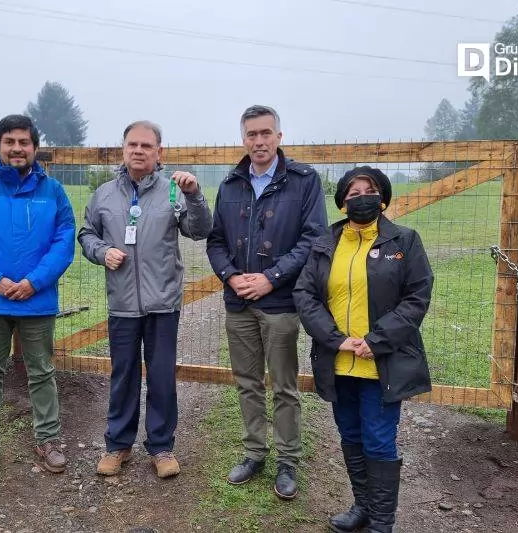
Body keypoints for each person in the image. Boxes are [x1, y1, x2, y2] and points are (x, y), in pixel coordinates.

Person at [292, 166, 433, 532]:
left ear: (382, 197)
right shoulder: (325, 244)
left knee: (379, 440)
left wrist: (375, 341)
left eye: (368, 191)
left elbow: (416, 298)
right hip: (339, 362)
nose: (361, 198)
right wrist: (335, 338)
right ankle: (364, 507)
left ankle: (381, 523)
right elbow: (305, 294)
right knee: (351, 436)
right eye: (352, 194)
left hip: (380, 366)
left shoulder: (404, 242)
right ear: (342, 203)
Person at [78, 120, 212, 479]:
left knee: (162, 376)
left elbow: (199, 230)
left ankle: (161, 447)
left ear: (159, 153)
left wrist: (196, 195)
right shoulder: (104, 194)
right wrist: (102, 251)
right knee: (122, 375)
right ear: (123, 149)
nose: (138, 151)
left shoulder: (174, 191)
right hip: (122, 302)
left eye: (146, 146)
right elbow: (86, 233)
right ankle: (117, 445)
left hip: (163, 302)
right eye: (132, 145)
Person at [206, 105, 327, 500]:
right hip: (238, 302)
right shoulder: (230, 184)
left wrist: (270, 278)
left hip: (280, 304)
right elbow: (216, 240)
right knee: (247, 382)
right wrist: (232, 276)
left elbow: (313, 239)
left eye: (266, 133)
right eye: (252, 134)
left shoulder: (304, 182)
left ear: (279, 136)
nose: (259, 141)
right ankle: (255, 452)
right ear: (243, 138)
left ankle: (288, 459)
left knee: (285, 386)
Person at [0, 114, 76, 479]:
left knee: (41, 372)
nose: (17, 148)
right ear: (0, 146)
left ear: (35, 148)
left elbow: (64, 239)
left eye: (24, 142)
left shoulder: (52, 191)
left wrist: (34, 282)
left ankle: (48, 440)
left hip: (37, 299)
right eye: (10, 142)